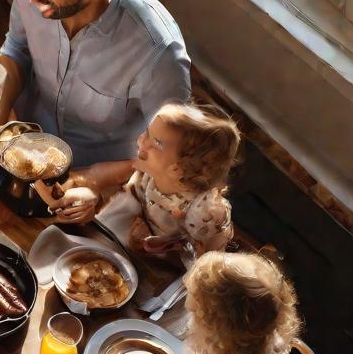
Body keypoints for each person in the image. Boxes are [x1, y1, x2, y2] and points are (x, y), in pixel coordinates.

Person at [0, 0, 191, 168]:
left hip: (98, 178)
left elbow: (171, 157)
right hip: (24, 143)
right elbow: (17, 48)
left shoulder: (160, 53)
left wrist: (96, 181)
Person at [41, 103, 241, 257]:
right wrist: (95, 197)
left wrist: (160, 247)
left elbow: (202, 267)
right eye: (146, 132)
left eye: (155, 142)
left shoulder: (203, 214)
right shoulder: (147, 174)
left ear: (177, 168)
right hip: (137, 250)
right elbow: (126, 200)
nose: (140, 141)